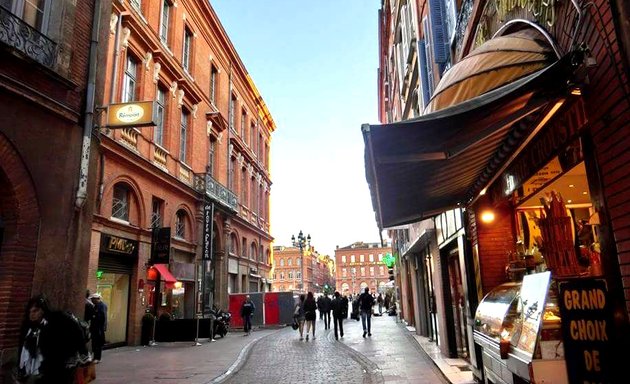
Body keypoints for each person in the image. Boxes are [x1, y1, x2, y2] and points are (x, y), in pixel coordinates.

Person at [16, 295, 84, 383]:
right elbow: (23, 349)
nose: (32, 314)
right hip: (36, 368)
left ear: (43, 310)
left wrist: (72, 354)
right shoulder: (28, 328)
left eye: (36, 311)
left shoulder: (57, 319)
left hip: (58, 366)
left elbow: (77, 332)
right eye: (30, 312)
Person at [89, 293, 107, 363]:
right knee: (95, 343)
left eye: (93, 299)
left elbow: (102, 317)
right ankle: (95, 357)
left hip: (98, 328)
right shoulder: (96, 306)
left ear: (97, 299)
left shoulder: (101, 306)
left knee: (98, 343)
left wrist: (102, 328)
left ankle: (97, 358)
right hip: (95, 328)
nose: (92, 300)